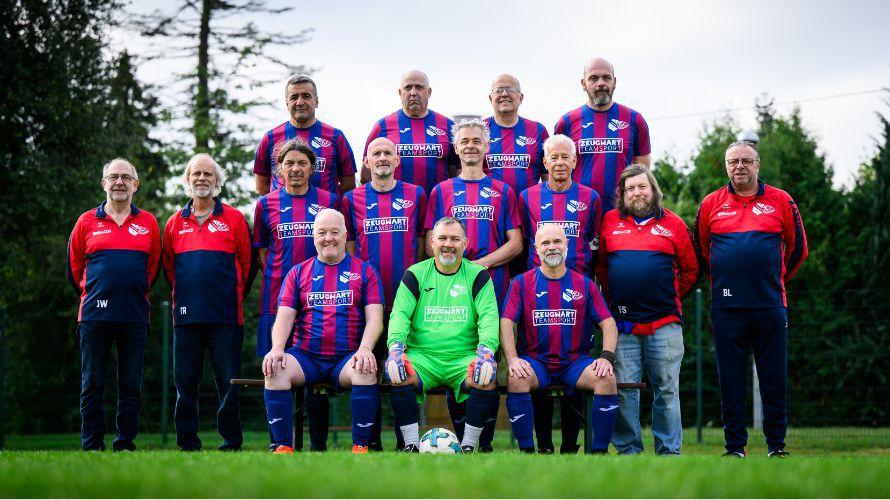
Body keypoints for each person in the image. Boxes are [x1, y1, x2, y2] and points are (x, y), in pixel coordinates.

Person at [694, 140, 808, 458]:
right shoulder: (711, 203)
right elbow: (701, 251)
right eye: (733, 162)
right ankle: (735, 448)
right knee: (731, 380)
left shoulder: (781, 200)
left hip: (769, 304)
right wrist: (724, 281)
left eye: (746, 160)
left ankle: (776, 446)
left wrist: (773, 280)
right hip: (727, 307)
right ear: (726, 167)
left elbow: (798, 249)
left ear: (757, 165)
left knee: (773, 378)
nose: (739, 166)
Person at [423, 118, 522, 450]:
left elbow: (516, 243)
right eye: (464, 141)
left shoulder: (503, 191)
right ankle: (463, 440)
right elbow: (430, 244)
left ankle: (485, 443)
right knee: (458, 361)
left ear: (486, 147)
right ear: (456, 147)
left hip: (493, 286)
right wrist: (460, 269)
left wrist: (481, 264)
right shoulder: (441, 191)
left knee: (488, 363)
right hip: (452, 292)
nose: (470, 146)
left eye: (476, 141)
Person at [262, 209, 384, 455]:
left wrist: (365, 349)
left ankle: (361, 447)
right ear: (313, 236)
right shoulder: (297, 272)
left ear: (345, 235)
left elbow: (375, 319)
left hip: (346, 358)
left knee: (366, 369)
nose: (328, 238)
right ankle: (282, 447)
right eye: (322, 233)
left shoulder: (366, 271)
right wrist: (277, 349)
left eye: (335, 232)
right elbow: (284, 318)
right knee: (275, 369)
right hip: (306, 357)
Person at [595, 164, 699, 455]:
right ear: (622, 194)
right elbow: (601, 267)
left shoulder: (674, 224)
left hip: (664, 324)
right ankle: (629, 452)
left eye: (642, 186)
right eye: (630, 188)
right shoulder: (609, 221)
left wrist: (666, 296)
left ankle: (668, 452)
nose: (636, 193)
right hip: (623, 325)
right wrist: (619, 294)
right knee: (624, 389)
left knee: (666, 390)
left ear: (653, 190)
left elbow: (691, 270)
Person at [67, 158, 161, 451]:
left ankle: (124, 443)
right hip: (94, 317)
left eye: (126, 177)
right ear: (104, 183)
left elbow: (153, 268)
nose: (119, 182)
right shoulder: (85, 221)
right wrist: (97, 294)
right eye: (113, 177)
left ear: (136, 184)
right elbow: (75, 269)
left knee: (130, 385)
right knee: (92, 383)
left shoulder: (148, 222)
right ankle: (92, 444)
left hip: (134, 315)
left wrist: (129, 291)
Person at [163, 154, 255, 451]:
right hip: (187, 317)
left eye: (208, 174)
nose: (202, 178)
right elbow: (168, 268)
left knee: (229, 384)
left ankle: (231, 442)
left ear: (217, 181)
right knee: (185, 385)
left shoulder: (235, 219)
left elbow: (247, 264)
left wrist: (232, 295)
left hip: (226, 317)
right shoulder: (174, 223)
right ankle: (187, 443)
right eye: (196, 174)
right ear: (188, 180)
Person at [385, 217, 501, 453]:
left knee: (485, 376)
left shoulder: (478, 275)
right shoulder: (415, 274)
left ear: (465, 243)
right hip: (423, 358)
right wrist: (395, 348)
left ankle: (469, 446)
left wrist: (487, 352)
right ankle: (410, 444)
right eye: (443, 238)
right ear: (432, 242)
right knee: (398, 372)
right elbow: (399, 315)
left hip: (463, 358)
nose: (448, 244)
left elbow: (489, 317)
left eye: (455, 239)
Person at [501, 223, 619, 453]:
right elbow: (506, 322)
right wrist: (513, 360)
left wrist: (606, 357)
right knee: (516, 378)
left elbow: (608, 323)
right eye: (545, 243)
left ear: (567, 244)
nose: (552, 247)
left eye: (557, 241)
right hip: (536, 361)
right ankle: (526, 452)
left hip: (575, 362)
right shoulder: (521, 283)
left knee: (606, 378)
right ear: (536, 249)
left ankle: (600, 453)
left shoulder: (584, 284)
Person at [253, 139, 339, 450]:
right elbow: (263, 254)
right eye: (289, 163)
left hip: (321, 301)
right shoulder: (265, 205)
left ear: (312, 167)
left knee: (317, 375)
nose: (295, 168)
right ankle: (280, 443)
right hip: (277, 302)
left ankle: (318, 446)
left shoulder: (329, 201)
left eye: (302, 163)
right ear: (279, 169)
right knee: (275, 368)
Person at [341, 137, 427, 449]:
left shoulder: (416, 194)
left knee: (406, 370)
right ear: (366, 162)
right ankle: (371, 441)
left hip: (407, 302)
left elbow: (422, 247)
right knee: (370, 368)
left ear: (397, 160)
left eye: (388, 153)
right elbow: (350, 251)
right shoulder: (351, 199)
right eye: (375, 153)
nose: (382, 158)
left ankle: (408, 442)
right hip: (369, 306)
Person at [519, 133, 602, 453]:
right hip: (536, 293)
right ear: (544, 162)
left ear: (575, 161)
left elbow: (594, 242)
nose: (559, 162)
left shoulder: (590, 198)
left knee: (575, 364)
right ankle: (543, 445)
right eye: (553, 157)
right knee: (536, 363)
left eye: (565, 156)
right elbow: (524, 242)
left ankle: (569, 445)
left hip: (577, 296)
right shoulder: (527, 197)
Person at [555, 57, 650, 212]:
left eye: (606, 77)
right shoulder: (567, 122)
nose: (601, 83)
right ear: (583, 84)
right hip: (579, 212)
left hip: (622, 211)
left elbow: (643, 172)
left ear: (615, 82)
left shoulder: (635, 120)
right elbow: (557, 173)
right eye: (593, 78)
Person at [253, 74, 357, 196]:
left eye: (306, 96)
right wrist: (280, 202)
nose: (299, 102)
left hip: (326, 208)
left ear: (316, 101)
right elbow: (261, 185)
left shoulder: (336, 137)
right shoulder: (270, 138)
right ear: (287, 104)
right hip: (283, 208)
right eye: (294, 97)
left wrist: (329, 203)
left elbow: (348, 184)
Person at [362, 70, 457, 195]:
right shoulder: (382, 126)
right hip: (397, 205)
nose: (413, 93)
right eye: (408, 88)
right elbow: (366, 173)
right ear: (400, 93)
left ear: (429, 92)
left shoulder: (448, 126)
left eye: (419, 87)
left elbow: (457, 171)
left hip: (437, 204)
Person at [483, 73, 550, 198]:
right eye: (498, 90)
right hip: (491, 206)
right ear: (490, 98)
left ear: (521, 97)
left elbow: (548, 177)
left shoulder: (538, 131)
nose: (504, 94)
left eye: (510, 89)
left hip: (527, 206)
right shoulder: (479, 131)